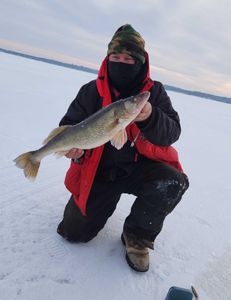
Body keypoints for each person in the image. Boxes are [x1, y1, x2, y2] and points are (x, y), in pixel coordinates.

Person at [57, 24, 189, 272]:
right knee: (73, 233)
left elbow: (172, 132)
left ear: (140, 62)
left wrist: (150, 116)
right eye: (115, 57)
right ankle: (92, 204)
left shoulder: (154, 93)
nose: (121, 62)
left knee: (173, 182)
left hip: (139, 169)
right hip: (100, 174)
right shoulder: (90, 91)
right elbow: (68, 126)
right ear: (107, 58)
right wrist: (75, 153)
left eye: (128, 58)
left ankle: (137, 235)